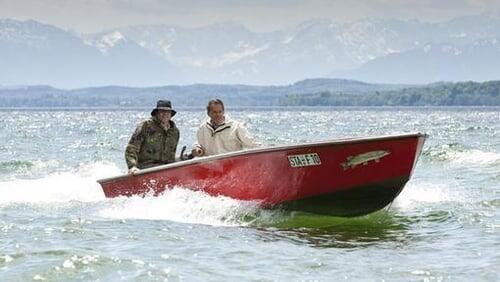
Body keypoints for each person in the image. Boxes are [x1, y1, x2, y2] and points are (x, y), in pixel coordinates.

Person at [125, 100, 180, 174]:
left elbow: (172, 156)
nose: (165, 114)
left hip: (166, 169)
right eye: (162, 111)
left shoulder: (175, 132)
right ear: (156, 113)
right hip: (146, 168)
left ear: (171, 114)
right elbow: (132, 148)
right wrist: (132, 166)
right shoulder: (146, 126)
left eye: (168, 112)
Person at [191, 99, 258, 157]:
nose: (218, 115)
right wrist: (197, 150)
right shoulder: (202, 128)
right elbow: (199, 145)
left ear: (223, 112)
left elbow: (252, 144)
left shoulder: (236, 127)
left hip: (233, 165)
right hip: (210, 166)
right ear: (208, 113)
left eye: (220, 112)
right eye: (214, 112)